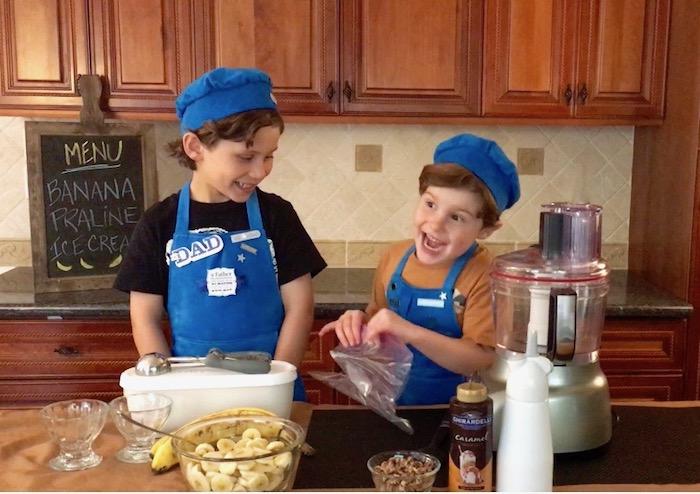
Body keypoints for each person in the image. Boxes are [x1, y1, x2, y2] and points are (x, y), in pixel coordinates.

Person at [114, 67, 327, 401]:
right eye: (246, 157)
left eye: (268, 156)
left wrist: (276, 382)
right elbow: (145, 317)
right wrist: (164, 386)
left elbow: (300, 307)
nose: (260, 171)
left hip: (272, 383)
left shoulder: (277, 216)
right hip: (189, 389)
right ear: (195, 146)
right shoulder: (158, 224)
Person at [319, 133, 520, 405]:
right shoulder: (393, 257)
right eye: (430, 204)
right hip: (391, 407)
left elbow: (480, 359)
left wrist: (410, 331)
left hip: (458, 414)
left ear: (486, 229)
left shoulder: (484, 274)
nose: (435, 224)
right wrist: (358, 324)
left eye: (457, 217)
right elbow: (380, 328)